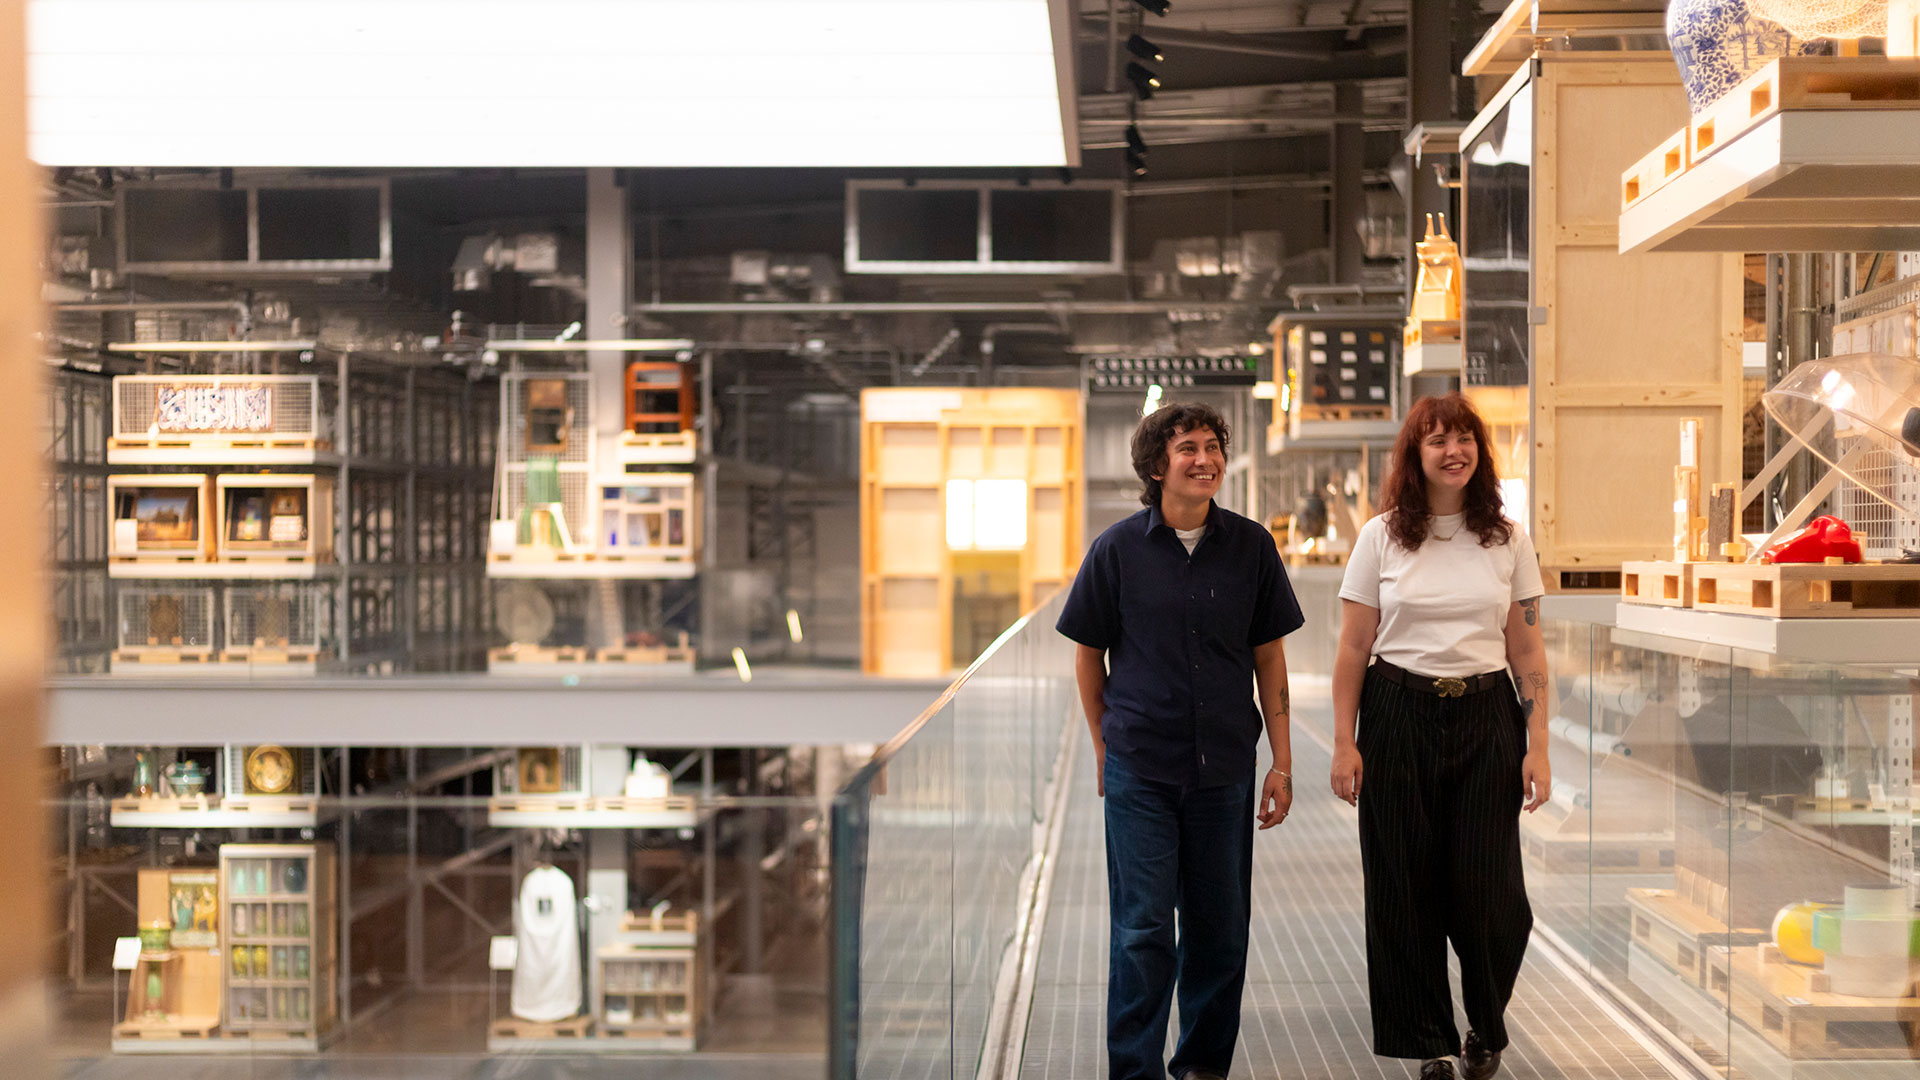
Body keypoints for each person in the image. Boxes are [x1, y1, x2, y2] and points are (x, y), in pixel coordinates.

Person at [1057, 402, 1304, 1080]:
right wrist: (1104, 744)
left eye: (1214, 446)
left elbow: (1270, 658)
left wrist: (1282, 761)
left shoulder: (1251, 546)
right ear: (1157, 464)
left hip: (1224, 769)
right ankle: (1134, 1070)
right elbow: (1087, 652)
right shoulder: (1116, 551)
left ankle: (1200, 1067)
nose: (1206, 459)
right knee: (1142, 933)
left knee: (1219, 932)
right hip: (1143, 767)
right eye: (1189, 447)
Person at [1329, 392, 1551, 1080]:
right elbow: (1349, 649)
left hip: (1487, 718)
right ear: (1414, 455)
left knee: (1495, 897)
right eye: (1437, 440)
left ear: (1479, 452)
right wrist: (1345, 740)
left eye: (1464, 439)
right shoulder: (1382, 536)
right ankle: (1430, 1042)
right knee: (1402, 884)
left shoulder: (1507, 538)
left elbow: (1530, 654)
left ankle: (1486, 1024)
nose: (1453, 451)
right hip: (1397, 712)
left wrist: (1537, 742)